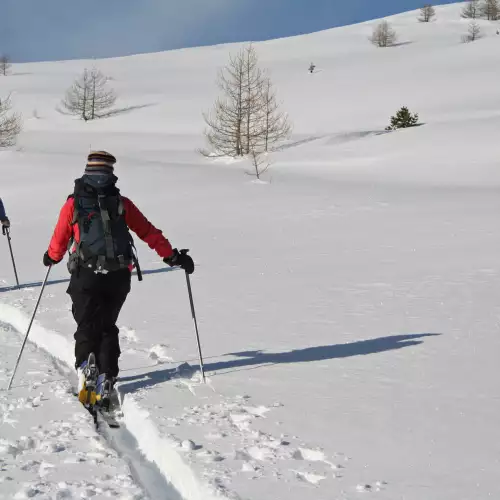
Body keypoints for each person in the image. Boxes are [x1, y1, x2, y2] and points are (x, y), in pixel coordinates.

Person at [43, 151, 195, 407]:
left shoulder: (74, 203)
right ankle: (107, 375)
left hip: (86, 274)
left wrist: (51, 257)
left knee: (86, 322)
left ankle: (85, 366)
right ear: (111, 173)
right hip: (118, 276)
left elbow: (59, 238)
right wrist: (172, 257)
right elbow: (148, 231)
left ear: (87, 172)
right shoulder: (122, 202)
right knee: (107, 324)